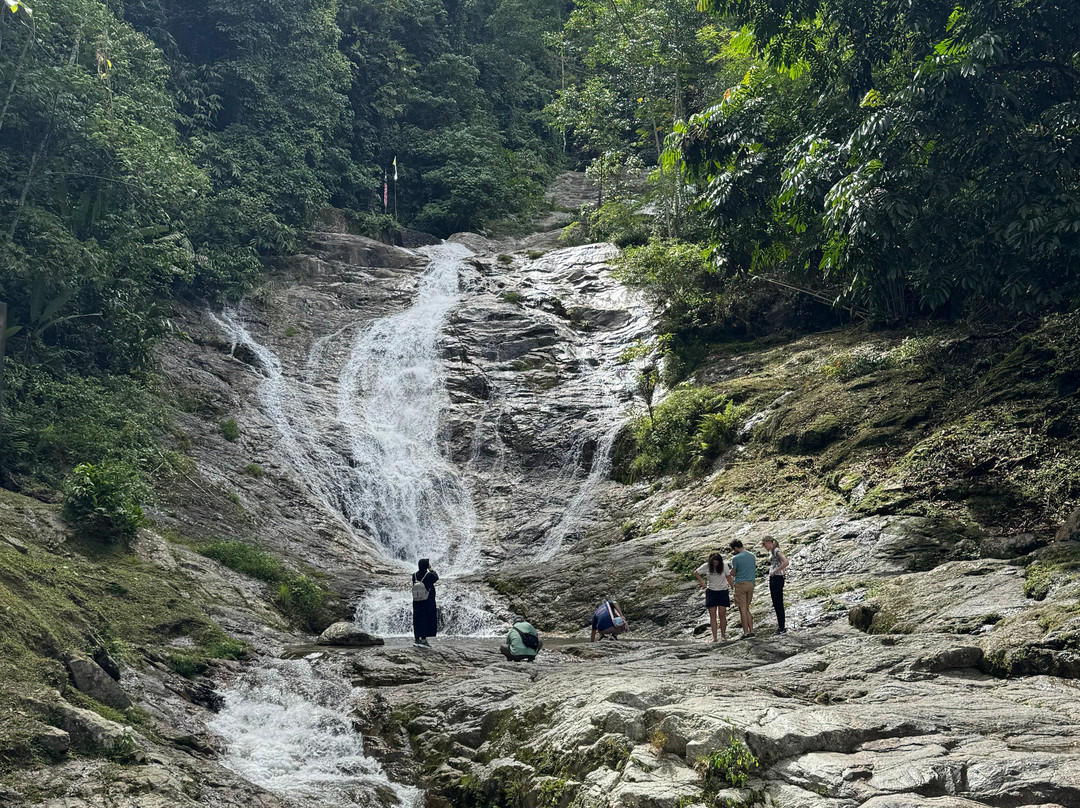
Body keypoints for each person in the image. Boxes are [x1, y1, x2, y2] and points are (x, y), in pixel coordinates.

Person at [694, 552, 735, 642]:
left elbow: (729, 577)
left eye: (717, 562)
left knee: (722, 614)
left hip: (723, 591)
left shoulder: (724, 566)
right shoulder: (707, 566)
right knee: (712, 615)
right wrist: (702, 582)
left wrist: (733, 588)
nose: (715, 564)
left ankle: (723, 636)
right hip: (711, 591)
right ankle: (715, 637)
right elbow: (696, 572)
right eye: (714, 563)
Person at [728, 539, 756, 638]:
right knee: (747, 608)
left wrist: (730, 572)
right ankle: (752, 630)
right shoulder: (752, 556)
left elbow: (733, 573)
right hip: (751, 584)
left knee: (742, 609)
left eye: (733, 549)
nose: (733, 551)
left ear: (735, 548)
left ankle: (746, 632)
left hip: (741, 584)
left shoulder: (735, 558)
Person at [762, 536, 789, 633]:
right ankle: (780, 625)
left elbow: (786, 562)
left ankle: (782, 627)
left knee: (778, 602)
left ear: (769, 542)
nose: (764, 546)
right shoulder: (772, 552)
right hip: (775, 577)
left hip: (777, 577)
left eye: (764, 544)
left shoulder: (776, 551)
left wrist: (776, 571)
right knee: (776, 602)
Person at [411, 558, 439, 647]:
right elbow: (436, 577)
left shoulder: (414, 575)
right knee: (425, 618)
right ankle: (423, 640)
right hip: (427, 601)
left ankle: (416, 639)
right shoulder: (429, 575)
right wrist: (430, 569)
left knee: (417, 619)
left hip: (416, 601)